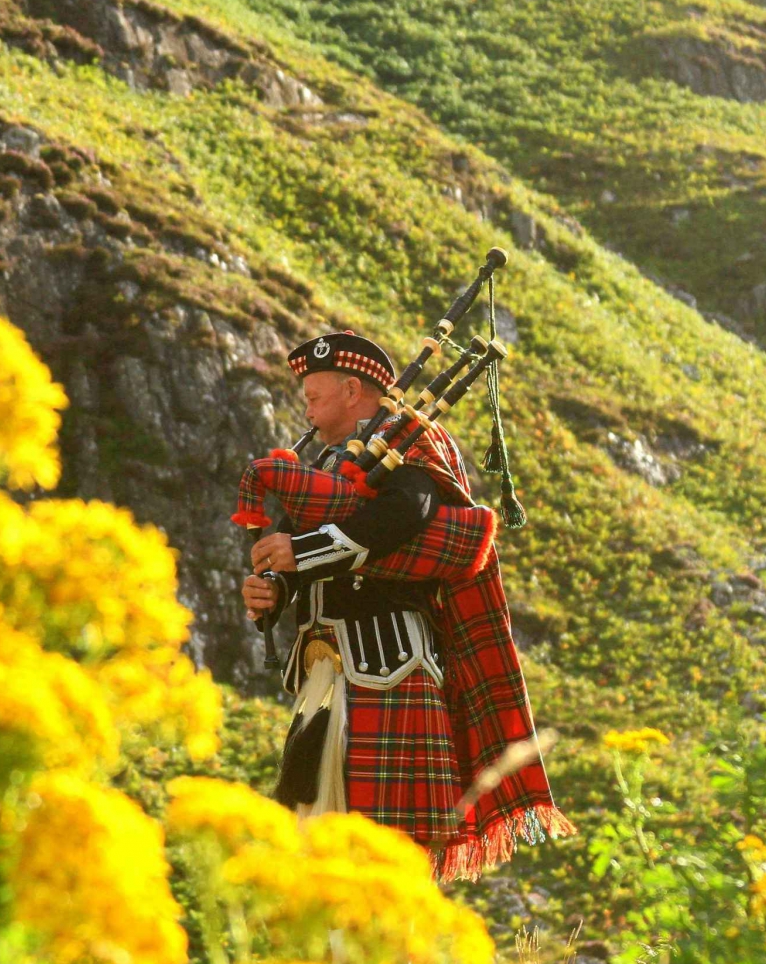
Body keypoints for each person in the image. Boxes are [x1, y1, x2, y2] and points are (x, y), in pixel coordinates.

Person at [241, 330, 573, 880]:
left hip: (389, 670)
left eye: (313, 391)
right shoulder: (323, 465)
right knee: (317, 852)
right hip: (324, 678)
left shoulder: (412, 442)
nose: (305, 401)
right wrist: (275, 592)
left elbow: (407, 515)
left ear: (353, 390)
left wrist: (302, 552)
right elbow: (298, 562)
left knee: (380, 857)